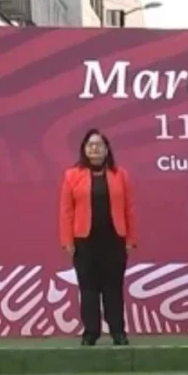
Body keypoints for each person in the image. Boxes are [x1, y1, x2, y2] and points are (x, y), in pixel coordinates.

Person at [59, 129, 137, 346]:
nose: (95, 148)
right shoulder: (71, 175)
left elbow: (129, 209)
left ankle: (118, 332)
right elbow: (66, 211)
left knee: (113, 287)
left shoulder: (120, 174)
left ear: (106, 149)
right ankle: (91, 331)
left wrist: (130, 239)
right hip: (84, 241)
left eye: (99, 145)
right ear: (84, 149)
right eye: (90, 145)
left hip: (114, 240)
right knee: (88, 287)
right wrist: (67, 241)